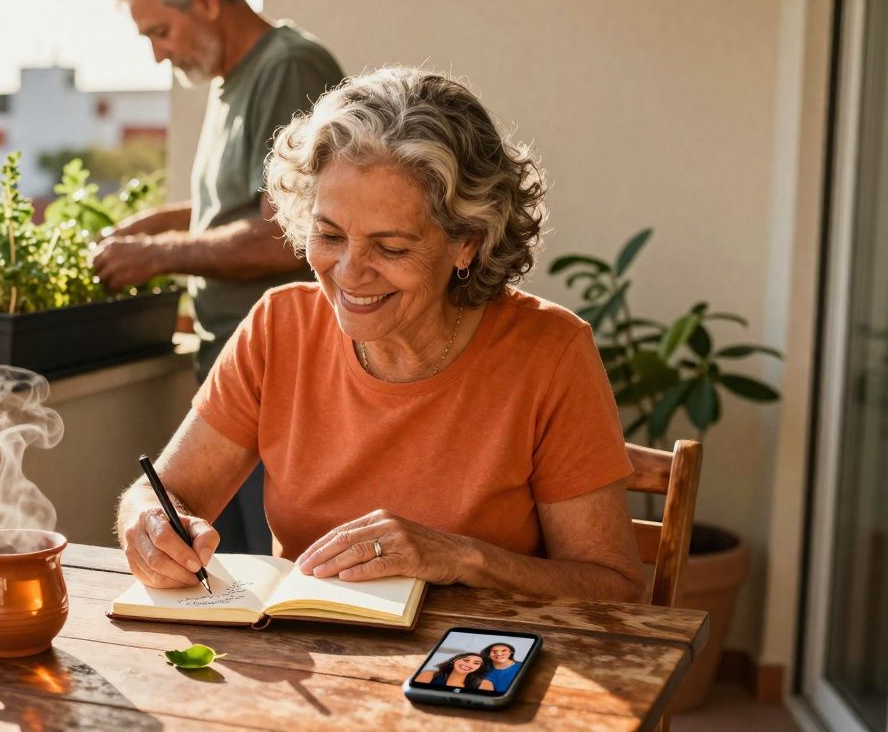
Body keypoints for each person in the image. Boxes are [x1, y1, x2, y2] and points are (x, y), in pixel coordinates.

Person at [113, 66, 645, 603]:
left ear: (468, 242)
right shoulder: (280, 327)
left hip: (470, 669)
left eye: (390, 247)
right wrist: (152, 524)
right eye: (328, 234)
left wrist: (461, 558)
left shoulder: (549, 353)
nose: (348, 272)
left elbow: (614, 589)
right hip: (313, 660)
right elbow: (164, 491)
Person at [98, 0, 344, 554]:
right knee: (213, 570)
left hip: (282, 380)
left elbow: (287, 233)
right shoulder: (226, 81)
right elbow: (233, 206)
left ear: (207, 3)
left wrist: (156, 255)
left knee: (266, 579)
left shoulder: (288, 67)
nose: (159, 55)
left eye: (160, 31)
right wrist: (155, 225)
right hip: (227, 375)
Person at [413, 653, 495, 691]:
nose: (469, 664)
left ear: (479, 668)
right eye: (466, 660)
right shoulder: (429, 675)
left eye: (476, 663)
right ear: (454, 660)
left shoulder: (484, 684)